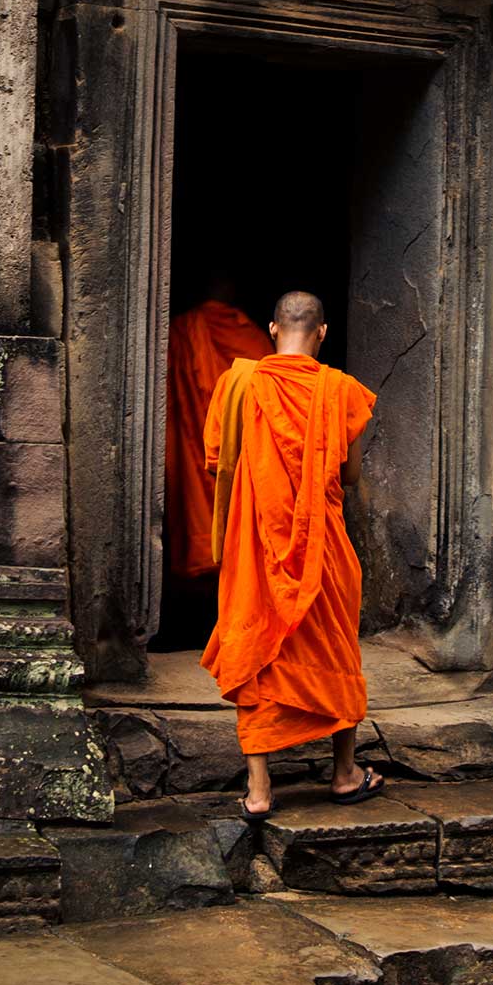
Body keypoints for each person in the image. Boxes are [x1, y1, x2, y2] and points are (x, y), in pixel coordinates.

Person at [200, 290, 380, 819]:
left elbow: (218, 462)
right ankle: (345, 773)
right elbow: (349, 475)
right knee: (335, 646)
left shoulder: (237, 384)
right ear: (322, 333)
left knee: (254, 648)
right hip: (322, 547)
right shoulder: (341, 391)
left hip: (255, 546)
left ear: (273, 330)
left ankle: (259, 792)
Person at [165, 274, 272, 594]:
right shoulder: (250, 335)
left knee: (200, 521)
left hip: (193, 452)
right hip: (241, 459)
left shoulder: (180, 331)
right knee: (244, 541)